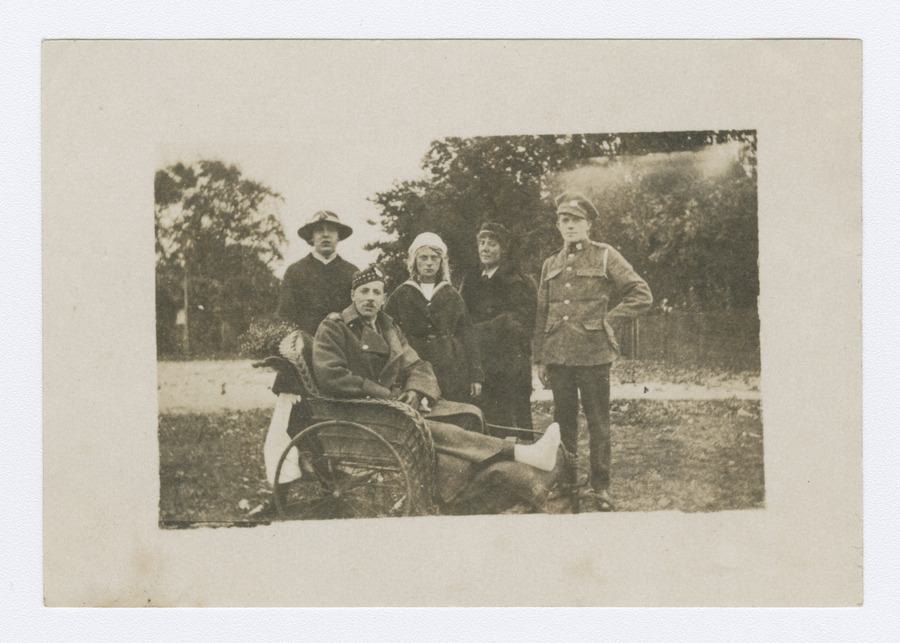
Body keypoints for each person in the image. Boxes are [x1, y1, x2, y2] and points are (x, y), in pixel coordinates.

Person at [313, 264, 563, 509]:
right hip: (362, 413)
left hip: (394, 407)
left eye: (376, 292)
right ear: (352, 295)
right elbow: (332, 375)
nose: (370, 298)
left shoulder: (388, 327)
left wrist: (415, 390)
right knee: (437, 431)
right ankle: (520, 454)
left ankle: (468, 484)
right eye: (364, 291)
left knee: (470, 414)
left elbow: (418, 365)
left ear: (384, 299)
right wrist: (385, 395)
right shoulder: (334, 328)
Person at [533, 192, 652, 512]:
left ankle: (601, 487)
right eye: (564, 220)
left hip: (593, 355)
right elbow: (542, 312)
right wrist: (540, 357)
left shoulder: (605, 255)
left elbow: (641, 294)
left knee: (598, 422)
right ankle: (568, 483)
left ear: (588, 225)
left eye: (576, 220)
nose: (570, 225)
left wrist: (609, 321)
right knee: (562, 423)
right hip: (558, 355)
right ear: (558, 226)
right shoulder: (550, 263)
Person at [384, 232, 483, 403]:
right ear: (414, 261)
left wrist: (476, 375)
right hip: (414, 369)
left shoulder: (452, 295)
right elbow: (387, 332)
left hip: (450, 369)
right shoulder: (401, 294)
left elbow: (467, 335)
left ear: (441, 262)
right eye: (423, 257)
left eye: (434, 258)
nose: (429, 262)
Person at [459, 222, 538, 437]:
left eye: (492, 244)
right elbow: (461, 316)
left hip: (509, 365)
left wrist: (476, 331)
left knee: (511, 423)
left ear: (503, 249)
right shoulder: (471, 280)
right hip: (480, 362)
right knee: (482, 421)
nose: (485, 248)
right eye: (482, 243)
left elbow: (516, 322)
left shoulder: (517, 281)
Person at [276, 210, 359, 336]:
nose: (325, 235)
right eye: (319, 230)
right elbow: (285, 315)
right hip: (304, 342)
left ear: (338, 236)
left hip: (343, 341)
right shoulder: (295, 271)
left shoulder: (352, 272)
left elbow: (359, 314)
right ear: (311, 237)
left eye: (331, 230)